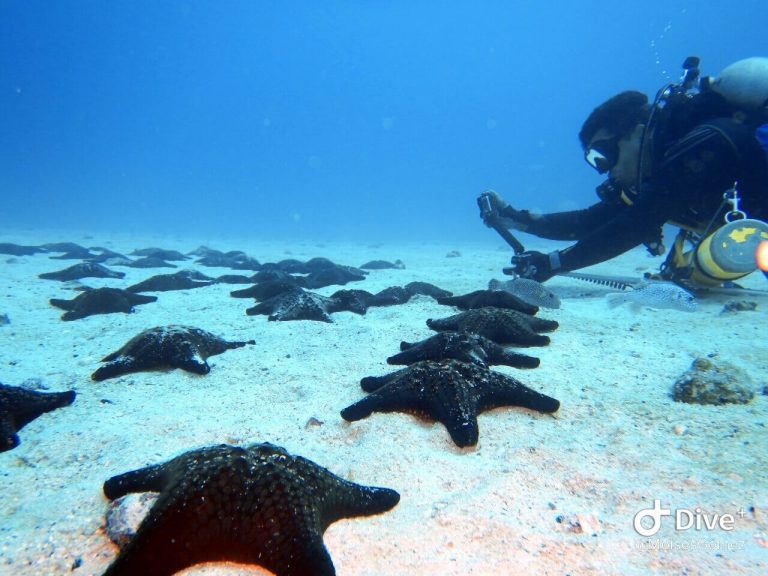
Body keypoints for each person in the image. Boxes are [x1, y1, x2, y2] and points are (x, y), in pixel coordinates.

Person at [479, 57, 768, 286]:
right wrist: (519, 220)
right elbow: (592, 221)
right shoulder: (672, 162)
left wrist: (554, 263)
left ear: (636, 133)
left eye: (603, 155)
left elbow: (637, 223)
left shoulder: (706, 144)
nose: (605, 170)